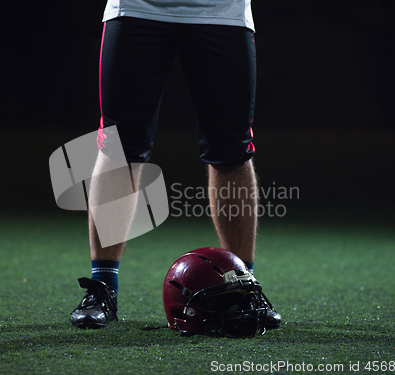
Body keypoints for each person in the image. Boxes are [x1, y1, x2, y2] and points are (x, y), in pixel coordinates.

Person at [70, 0, 281, 331]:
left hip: (221, 12)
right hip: (137, 8)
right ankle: (103, 287)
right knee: (119, 149)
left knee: (232, 151)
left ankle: (243, 286)